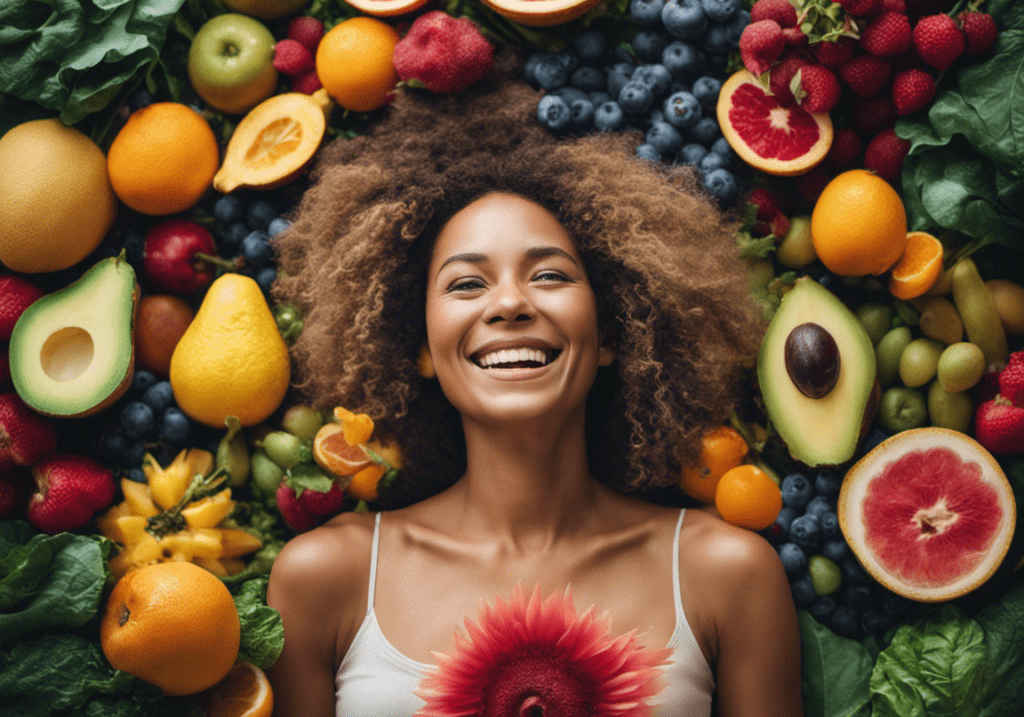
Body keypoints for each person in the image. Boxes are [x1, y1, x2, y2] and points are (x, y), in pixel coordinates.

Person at [266, 55, 802, 717]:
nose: (510, 303)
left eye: (549, 275)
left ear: (612, 333)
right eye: (466, 283)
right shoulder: (324, 580)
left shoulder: (729, 575)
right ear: (419, 349)